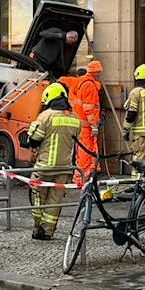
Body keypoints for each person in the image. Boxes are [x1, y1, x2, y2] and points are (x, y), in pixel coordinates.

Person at [23, 82, 82, 240]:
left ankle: (38, 227)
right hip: (65, 167)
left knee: (37, 194)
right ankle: (48, 231)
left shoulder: (46, 116)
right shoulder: (75, 118)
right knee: (55, 200)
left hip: (45, 165)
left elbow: (34, 140)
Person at [68, 57, 104, 184]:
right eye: (99, 72)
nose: (100, 75)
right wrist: (94, 125)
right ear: (95, 72)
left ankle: (87, 175)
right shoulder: (89, 85)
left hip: (80, 124)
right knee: (86, 151)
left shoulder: (80, 82)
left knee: (83, 151)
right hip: (87, 125)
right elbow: (89, 108)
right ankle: (82, 178)